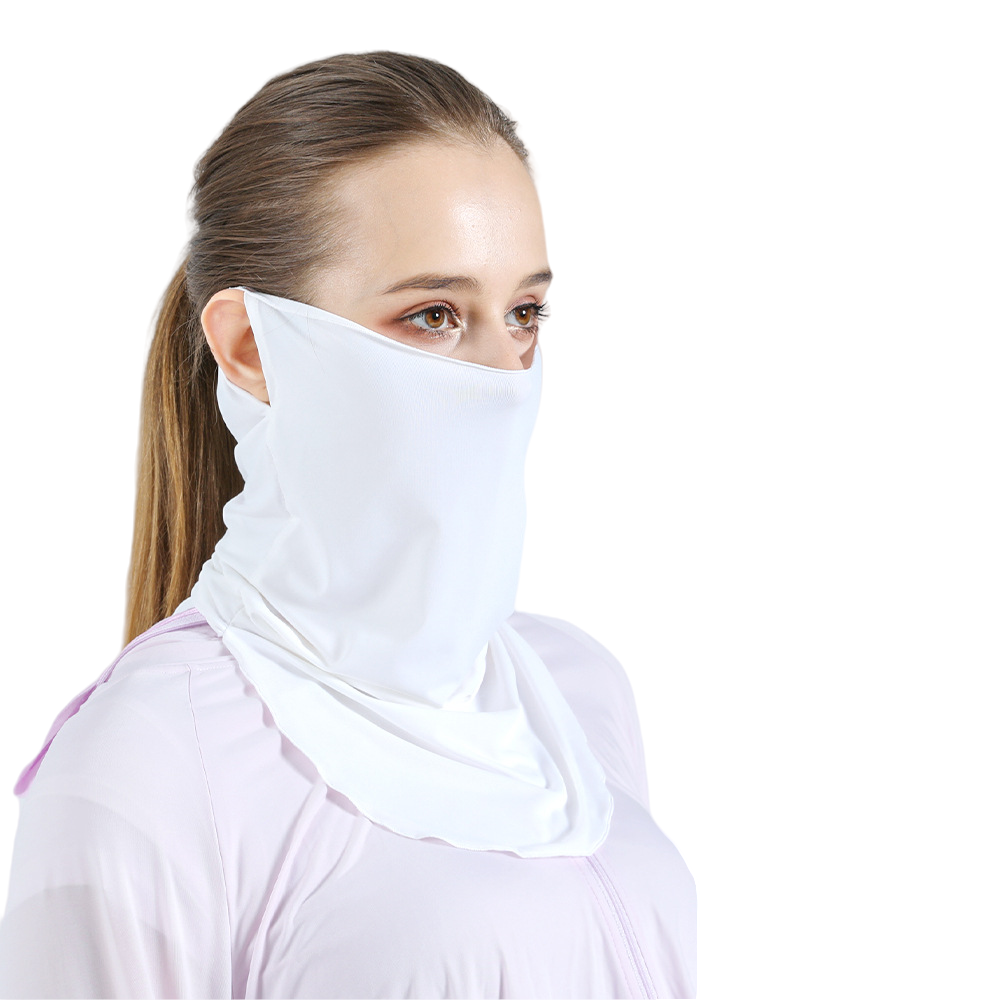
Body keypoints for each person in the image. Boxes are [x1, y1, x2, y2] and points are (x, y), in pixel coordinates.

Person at [1, 9, 743, 999]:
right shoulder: (149, 766)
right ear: (252, 349)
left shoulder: (582, 683)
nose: (505, 376)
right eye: (434, 315)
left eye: (524, 313)